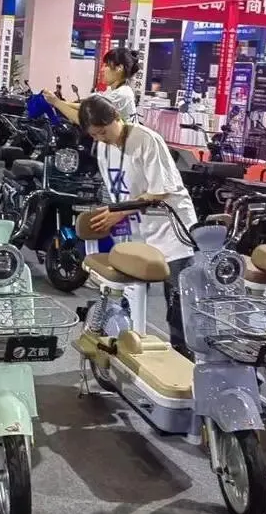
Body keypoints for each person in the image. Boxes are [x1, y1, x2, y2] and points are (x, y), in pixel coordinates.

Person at [78, 94, 197, 358]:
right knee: (132, 295)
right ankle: (130, 352)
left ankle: (185, 357)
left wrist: (119, 213)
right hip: (135, 230)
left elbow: (160, 191)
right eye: (94, 135)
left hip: (170, 230)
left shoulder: (146, 140)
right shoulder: (102, 147)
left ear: (116, 117)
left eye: (103, 132)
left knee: (178, 301)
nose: (100, 139)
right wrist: (113, 214)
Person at [41, 47, 138, 124]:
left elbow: (86, 120)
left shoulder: (122, 94)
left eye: (107, 65)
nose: (102, 69)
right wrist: (59, 102)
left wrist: (56, 102)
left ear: (119, 68)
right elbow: (87, 106)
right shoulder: (118, 90)